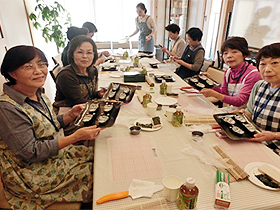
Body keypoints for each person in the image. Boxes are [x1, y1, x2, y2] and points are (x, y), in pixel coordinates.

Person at [0, 45, 103, 209]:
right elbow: (31, 151)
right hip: (31, 171)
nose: (38, 71)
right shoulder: (7, 108)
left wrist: (70, 115)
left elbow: (45, 124)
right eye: (28, 66)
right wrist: (75, 138)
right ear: (12, 73)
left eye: (42, 64)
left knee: (100, 155)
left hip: (53, 155)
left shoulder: (36, 92)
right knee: (96, 174)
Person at [200, 37, 262, 109]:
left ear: (244, 54)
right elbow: (223, 93)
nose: (229, 56)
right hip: (231, 111)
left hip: (245, 115)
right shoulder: (228, 72)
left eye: (234, 52)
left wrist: (214, 94)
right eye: (225, 53)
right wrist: (210, 82)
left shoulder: (253, 74)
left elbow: (240, 101)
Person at [242, 43, 280, 155]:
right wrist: (241, 114)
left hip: (276, 150)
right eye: (262, 64)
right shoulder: (259, 85)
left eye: (274, 63)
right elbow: (250, 112)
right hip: (254, 142)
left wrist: (274, 135)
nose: (267, 69)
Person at [54, 35, 107, 110]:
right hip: (68, 113)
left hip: (87, 109)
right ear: (72, 54)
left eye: (89, 53)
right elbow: (79, 102)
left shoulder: (92, 70)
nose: (85, 56)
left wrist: (98, 94)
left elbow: (89, 95)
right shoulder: (66, 75)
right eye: (80, 52)